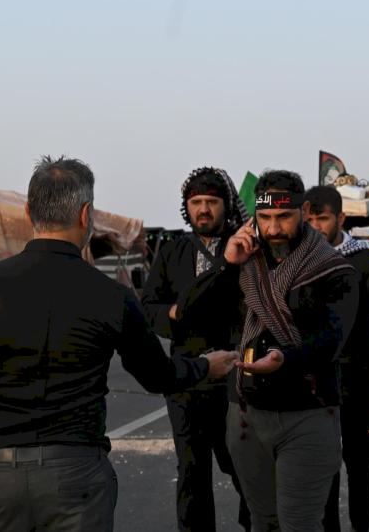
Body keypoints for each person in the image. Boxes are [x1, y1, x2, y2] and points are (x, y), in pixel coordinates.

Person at [0, 156, 238, 532]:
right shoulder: (110, 295)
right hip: (74, 469)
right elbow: (157, 376)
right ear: (86, 214)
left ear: (28, 212)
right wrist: (206, 366)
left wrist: (0, 408)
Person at [189, 170, 360, 531]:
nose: (274, 228)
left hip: (308, 411)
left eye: (284, 216)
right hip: (246, 414)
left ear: (304, 212)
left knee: (300, 523)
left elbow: (332, 340)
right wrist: (226, 264)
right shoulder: (244, 262)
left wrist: (285, 359)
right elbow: (194, 314)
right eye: (265, 218)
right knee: (262, 522)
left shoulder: (333, 269)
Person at [141, 167, 251, 532]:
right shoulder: (172, 251)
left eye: (212, 201)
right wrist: (173, 314)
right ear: (186, 207)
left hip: (236, 378)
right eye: (196, 202)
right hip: (186, 379)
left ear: (226, 205)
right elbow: (150, 308)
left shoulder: (244, 249)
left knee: (243, 467)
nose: (204, 209)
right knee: (192, 472)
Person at [302, 185, 369, 532]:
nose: (315, 227)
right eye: (309, 220)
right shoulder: (294, 265)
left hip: (360, 386)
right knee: (323, 474)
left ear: (341, 218)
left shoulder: (368, 262)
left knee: (361, 468)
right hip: (314, 391)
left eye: (322, 219)